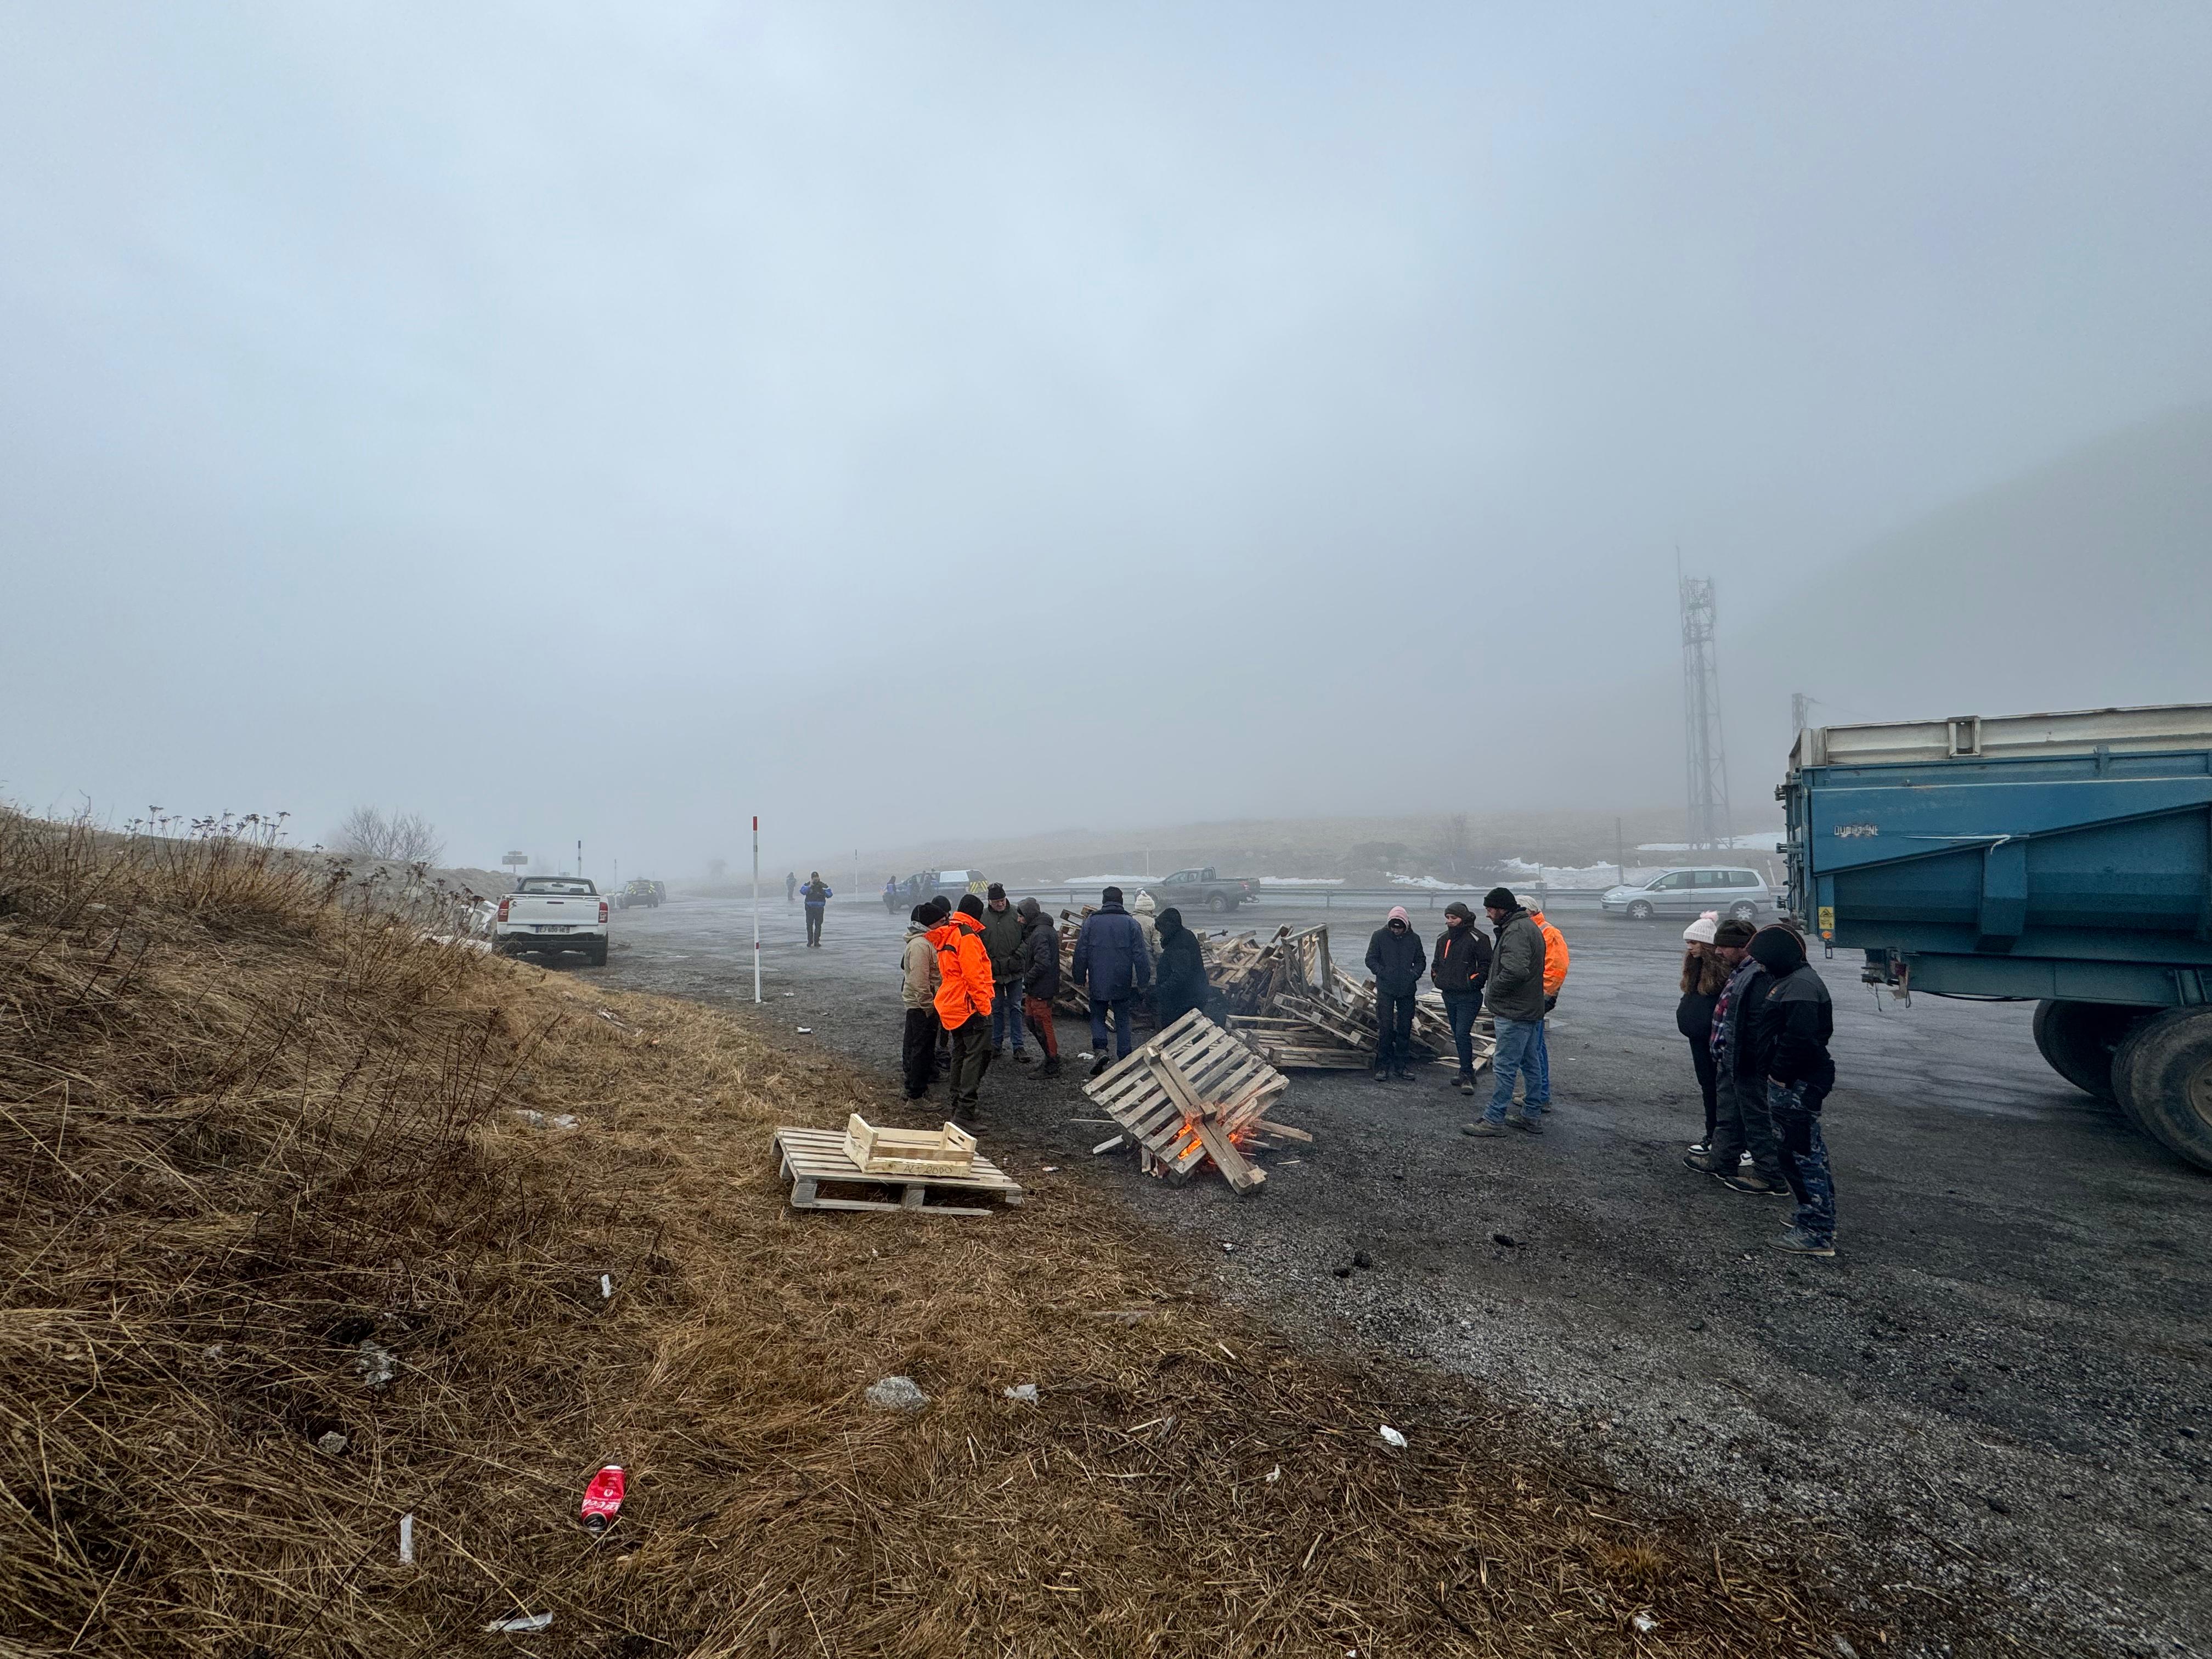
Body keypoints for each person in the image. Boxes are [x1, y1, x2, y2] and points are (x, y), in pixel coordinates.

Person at [1750, 924, 1838, 1256]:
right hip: (1797, 1080)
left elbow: (1800, 1039)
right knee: (1803, 1151)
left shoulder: (1798, 986)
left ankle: (1816, 1231)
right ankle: (1814, 1215)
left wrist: (1779, 1076)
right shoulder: (1794, 981)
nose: (1759, 965)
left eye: (1762, 958)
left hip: (1796, 1084)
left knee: (1800, 1153)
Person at [1684, 917, 1788, 1195]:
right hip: (1731, 1058)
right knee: (1729, 1113)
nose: (1718, 952)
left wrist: (1748, 1058)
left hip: (1747, 1061)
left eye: (1724, 947)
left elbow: (1756, 1024)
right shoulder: (1742, 971)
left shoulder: (1759, 975)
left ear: (1743, 947)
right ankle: (1722, 1161)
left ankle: (1770, 1176)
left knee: (1755, 1117)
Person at [1464, 888, 1548, 1136]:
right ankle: (1531, 1115)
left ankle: (1494, 1119)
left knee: (1505, 1065)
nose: (1488, 915)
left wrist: (1493, 992)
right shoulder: (1528, 927)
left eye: (1490, 910)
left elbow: (1515, 971)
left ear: (1502, 909)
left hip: (1514, 1011)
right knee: (1531, 1063)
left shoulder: (1516, 931)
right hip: (1529, 1008)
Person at [1071, 886, 1152, 1077]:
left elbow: (1081, 952)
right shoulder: (1131, 924)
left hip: (1099, 979)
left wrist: (1079, 976)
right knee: (1123, 1019)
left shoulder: (1091, 922)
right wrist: (1143, 981)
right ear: (1121, 901)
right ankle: (1125, 1057)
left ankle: (1100, 1050)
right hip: (1122, 980)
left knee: (1097, 1016)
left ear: (1104, 901)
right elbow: (1140, 955)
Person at [932, 894, 996, 1117]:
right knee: (977, 1056)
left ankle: (957, 1103)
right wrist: (984, 1007)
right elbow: (974, 976)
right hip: (968, 1005)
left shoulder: (949, 932)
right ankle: (965, 1112)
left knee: (960, 1052)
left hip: (952, 1003)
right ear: (977, 915)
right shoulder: (968, 936)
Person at [1430, 901, 1493, 1095]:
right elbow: (1436, 963)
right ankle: (1467, 1072)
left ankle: (1466, 1074)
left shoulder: (1478, 939)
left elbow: (1486, 965)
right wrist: (1438, 979)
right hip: (1449, 993)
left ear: (1463, 919)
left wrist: (1472, 982)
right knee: (1458, 1034)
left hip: (1469, 995)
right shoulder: (1443, 939)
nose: (1450, 921)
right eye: (1448, 918)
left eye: (1454, 918)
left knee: (1462, 1033)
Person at [1676, 912, 1725, 1152]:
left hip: (1713, 1040)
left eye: (1694, 943)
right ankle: (1712, 1134)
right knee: (1708, 1087)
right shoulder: (1694, 967)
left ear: (1707, 945)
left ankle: (1722, 1137)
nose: (1690, 947)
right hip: (1698, 1038)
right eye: (1688, 943)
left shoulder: (1720, 973)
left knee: (1718, 1089)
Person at [1364, 906, 1426, 1082]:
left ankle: (1401, 1066)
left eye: (1400, 927)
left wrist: (1414, 975)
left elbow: (1421, 960)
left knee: (1405, 1028)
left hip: (1407, 990)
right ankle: (1382, 1067)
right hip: (1386, 989)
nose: (1396, 930)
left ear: (1406, 925)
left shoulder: (1414, 939)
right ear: (1389, 924)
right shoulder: (1379, 936)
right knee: (1385, 1028)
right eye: (1394, 927)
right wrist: (1382, 972)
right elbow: (1370, 959)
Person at [1519, 902, 1571, 1109]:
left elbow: (1557, 967)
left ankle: (1540, 1095)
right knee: (1533, 1046)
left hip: (1537, 999)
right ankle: (1537, 1092)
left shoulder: (1548, 932)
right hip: (1531, 997)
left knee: (1535, 1047)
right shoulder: (1531, 929)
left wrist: (1542, 996)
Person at [980, 883, 1030, 1063]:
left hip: (1015, 970)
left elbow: (1028, 937)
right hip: (993, 972)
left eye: (1002, 900)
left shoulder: (1017, 914)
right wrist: (988, 961)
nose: (1000, 904)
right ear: (990, 902)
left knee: (1016, 1008)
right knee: (997, 1009)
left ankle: (1019, 1046)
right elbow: (978, 942)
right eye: (996, 901)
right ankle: (996, 1045)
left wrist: (1018, 956)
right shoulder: (982, 917)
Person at [899, 903, 942, 1101]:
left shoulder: (924, 943)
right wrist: (929, 1005)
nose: (945, 925)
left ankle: (912, 1088)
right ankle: (916, 1094)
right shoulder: (921, 946)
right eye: (941, 922)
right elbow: (919, 981)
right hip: (922, 1006)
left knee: (916, 1047)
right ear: (930, 924)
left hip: (920, 1004)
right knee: (921, 1050)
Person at [1015, 898, 1063, 1077]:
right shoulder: (1041, 930)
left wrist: (1027, 978)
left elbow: (1043, 963)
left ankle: (1052, 1063)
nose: (1019, 920)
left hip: (1041, 988)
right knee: (1031, 1021)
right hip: (1037, 988)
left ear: (1028, 916)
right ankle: (1049, 1058)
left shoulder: (1040, 934)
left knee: (1043, 1025)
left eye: (1021, 917)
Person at [1153, 907, 1210, 1031]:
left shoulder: (1178, 945)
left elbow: (1180, 975)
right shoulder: (1186, 935)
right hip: (1193, 993)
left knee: (1174, 1033)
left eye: (1162, 932)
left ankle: (1171, 1050)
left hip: (1182, 999)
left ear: (1168, 929)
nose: (1161, 935)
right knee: (1196, 1033)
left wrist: (1161, 991)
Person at [800, 871, 832, 947]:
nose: (816, 879)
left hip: (819, 909)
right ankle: (810, 941)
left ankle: (817, 941)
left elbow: (830, 894)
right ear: (812, 878)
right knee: (809, 925)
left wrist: (823, 892)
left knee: (818, 925)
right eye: (814, 878)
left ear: (819, 877)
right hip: (809, 908)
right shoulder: (807, 885)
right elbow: (803, 892)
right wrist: (810, 886)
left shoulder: (823, 885)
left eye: (817, 877)